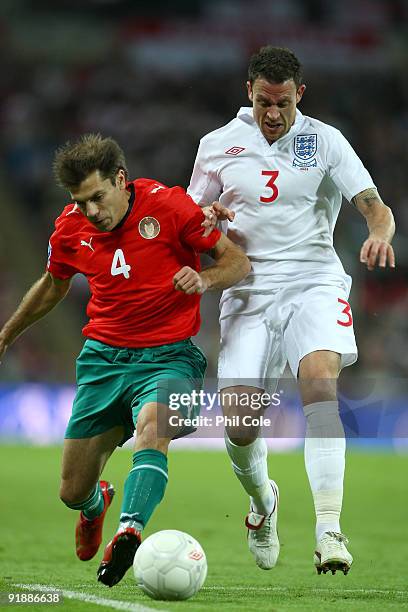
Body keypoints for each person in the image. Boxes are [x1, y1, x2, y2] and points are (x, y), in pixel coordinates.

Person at [0, 133, 250, 587]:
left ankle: (129, 531)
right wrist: (6, 335)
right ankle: (97, 504)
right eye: (80, 202)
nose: (91, 211)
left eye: (97, 197)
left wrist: (205, 277)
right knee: (71, 492)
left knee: (153, 430)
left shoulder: (171, 207)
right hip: (102, 362)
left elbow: (237, 262)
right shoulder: (70, 229)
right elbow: (52, 285)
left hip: (170, 357)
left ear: (121, 180)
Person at [188, 46, 395, 575]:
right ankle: (264, 505)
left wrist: (378, 233)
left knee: (320, 385)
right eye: (263, 102)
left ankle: (330, 530)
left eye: (282, 102)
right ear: (249, 93)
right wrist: (208, 220)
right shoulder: (217, 146)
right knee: (240, 426)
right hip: (246, 288)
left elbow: (375, 206)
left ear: (299, 94)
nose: (272, 114)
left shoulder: (325, 140)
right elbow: (189, 227)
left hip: (314, 280)